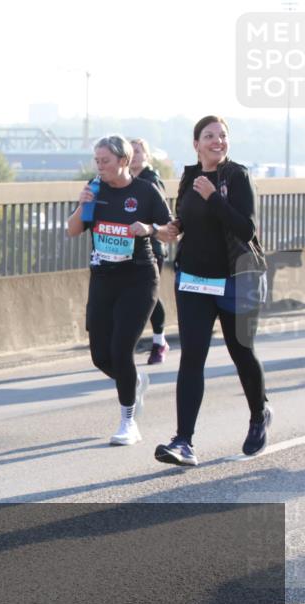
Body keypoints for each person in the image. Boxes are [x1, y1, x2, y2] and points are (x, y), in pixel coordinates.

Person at [155, 116, 271, 467]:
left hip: (233, 281)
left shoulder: (237, 176)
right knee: (192, 358)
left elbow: (246, 228)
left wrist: (214, 198)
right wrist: (171, 229)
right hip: (193, 281)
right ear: (196, 144)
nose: (217, 141)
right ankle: (184, 441)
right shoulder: (190, 176)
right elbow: (189, 220)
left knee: (242, 353)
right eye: (209, 136)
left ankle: (258, 414)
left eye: (222, 136)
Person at [67, 135, 172, 446]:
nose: (100, 167)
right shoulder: (95, 188)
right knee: (100, 356)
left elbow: (172, 231)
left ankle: (128, 422)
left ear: (124, 161)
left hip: (139, 279)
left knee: (121, 349)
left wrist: (150, 229)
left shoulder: (145, 191)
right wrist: (81, 205)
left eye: (106, 162)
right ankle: (134, 381)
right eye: (97, 161)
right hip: (103, 278)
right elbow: (73, 230)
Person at [129, 138, 170, 364]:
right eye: (130, 151)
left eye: (138, 151)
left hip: (152, 247)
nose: (134, 155)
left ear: (147, 155)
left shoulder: (151, 181)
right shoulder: (122, 181)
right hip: (129, 248)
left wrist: (149, 229)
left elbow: (165, 218)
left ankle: (159, 342)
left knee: (150, 295)